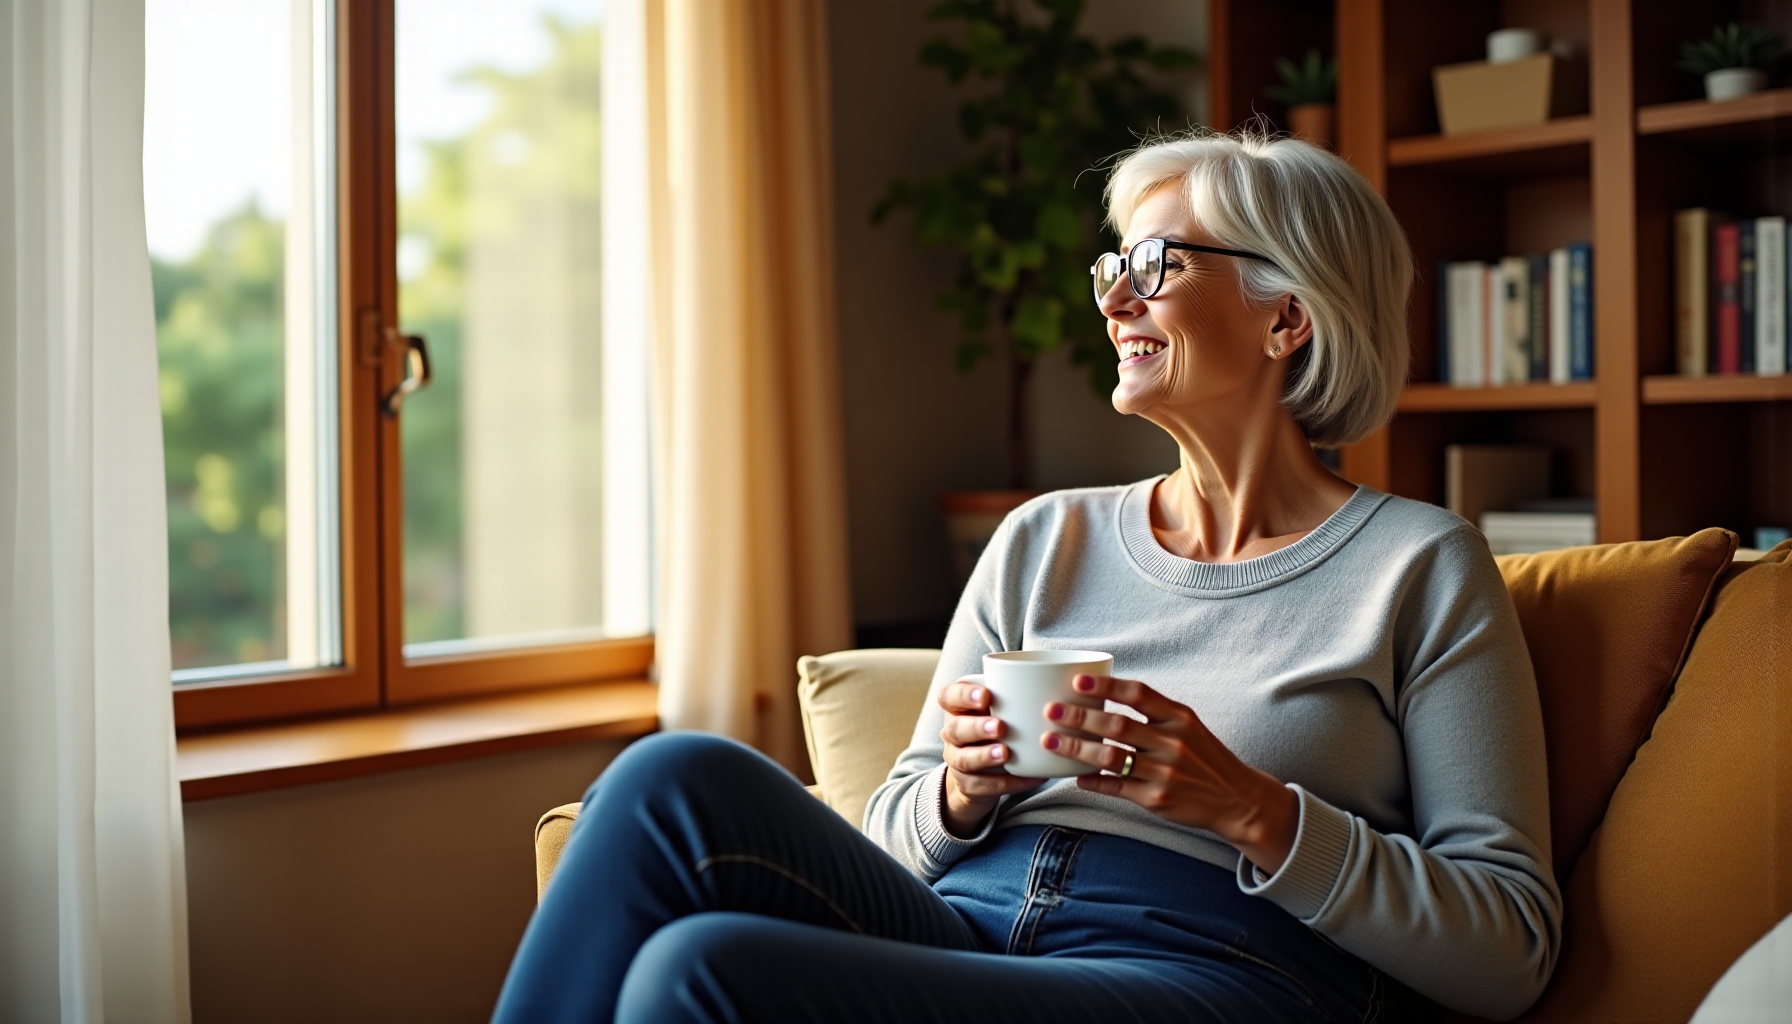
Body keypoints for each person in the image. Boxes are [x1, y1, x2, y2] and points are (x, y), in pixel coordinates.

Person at [491, 130, 1561, 1024]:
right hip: (967, 931)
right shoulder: (1046, 537)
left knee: (703, 972)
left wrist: (1249, 808)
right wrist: (959, 794)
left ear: (1286, 317)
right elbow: (896, 831)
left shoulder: (1419, 566)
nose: (1115, 300)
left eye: (1158, 265)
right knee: (669, 780)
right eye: (1114, 268)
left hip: (1211, 966)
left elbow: (1509, 947)